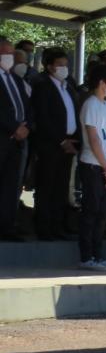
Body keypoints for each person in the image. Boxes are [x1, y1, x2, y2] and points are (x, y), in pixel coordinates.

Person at [31, 48, 79, 241]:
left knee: (61, 187)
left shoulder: (67, 86)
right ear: (49, 66)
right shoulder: (42, 86)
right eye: (59, 65)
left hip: (69, 144)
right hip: (50, 145)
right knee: (47, 186)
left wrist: (72, 140)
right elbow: (43, 117)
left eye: (65, 65)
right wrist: (61, 140)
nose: (64, 68)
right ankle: (44, 227)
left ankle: (58, 226)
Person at [77, 64, 106, 271]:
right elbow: (94, 139)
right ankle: (86, 257)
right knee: (91, 211)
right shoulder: (91, 104)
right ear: (102, 83)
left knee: (103, 213)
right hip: (93, 166)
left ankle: (98, 254)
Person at [0, 40, 32, 240]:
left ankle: (7, 226)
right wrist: (14, 127)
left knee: (12, 186)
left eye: (11, 53)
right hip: (3, 137)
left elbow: (28, 106)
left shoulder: (16, 79)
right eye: (5, 53)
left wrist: (27, 126)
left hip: (18, 142)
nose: (9, 57)